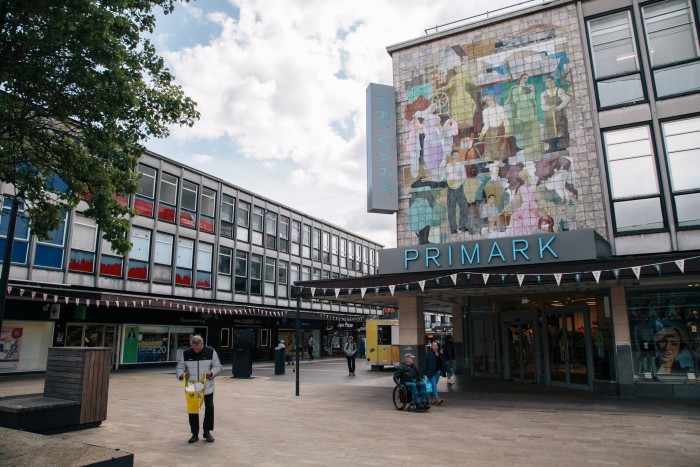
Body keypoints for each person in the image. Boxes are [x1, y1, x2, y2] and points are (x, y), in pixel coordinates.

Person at [176, 335, 222, 443]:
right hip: (192, 387)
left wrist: (211, 373)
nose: (196, 350)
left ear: (202, 344)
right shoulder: (186, 353)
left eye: (198, 348)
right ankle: (194, 434)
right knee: (193, 410)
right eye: (194, 348)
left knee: (209, 409)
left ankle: (207, 432)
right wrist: (182, 375)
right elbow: (179, 368)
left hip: (207, 386)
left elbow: (218, 366)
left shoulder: (210, 351)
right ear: (191, 345)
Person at [424, 341, 444, 405]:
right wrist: (424, 373)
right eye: (434, 345)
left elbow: (442, 362)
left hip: (437, 372)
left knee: (434, 385)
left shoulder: (439, 353)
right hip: (431, 372)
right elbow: (425, 364)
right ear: (432, 346)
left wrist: (443, 370)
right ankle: (437, 398)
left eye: (436, 345)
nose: (436, 347)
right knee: (434, 385)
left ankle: (431, 398)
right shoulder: (429, 354)